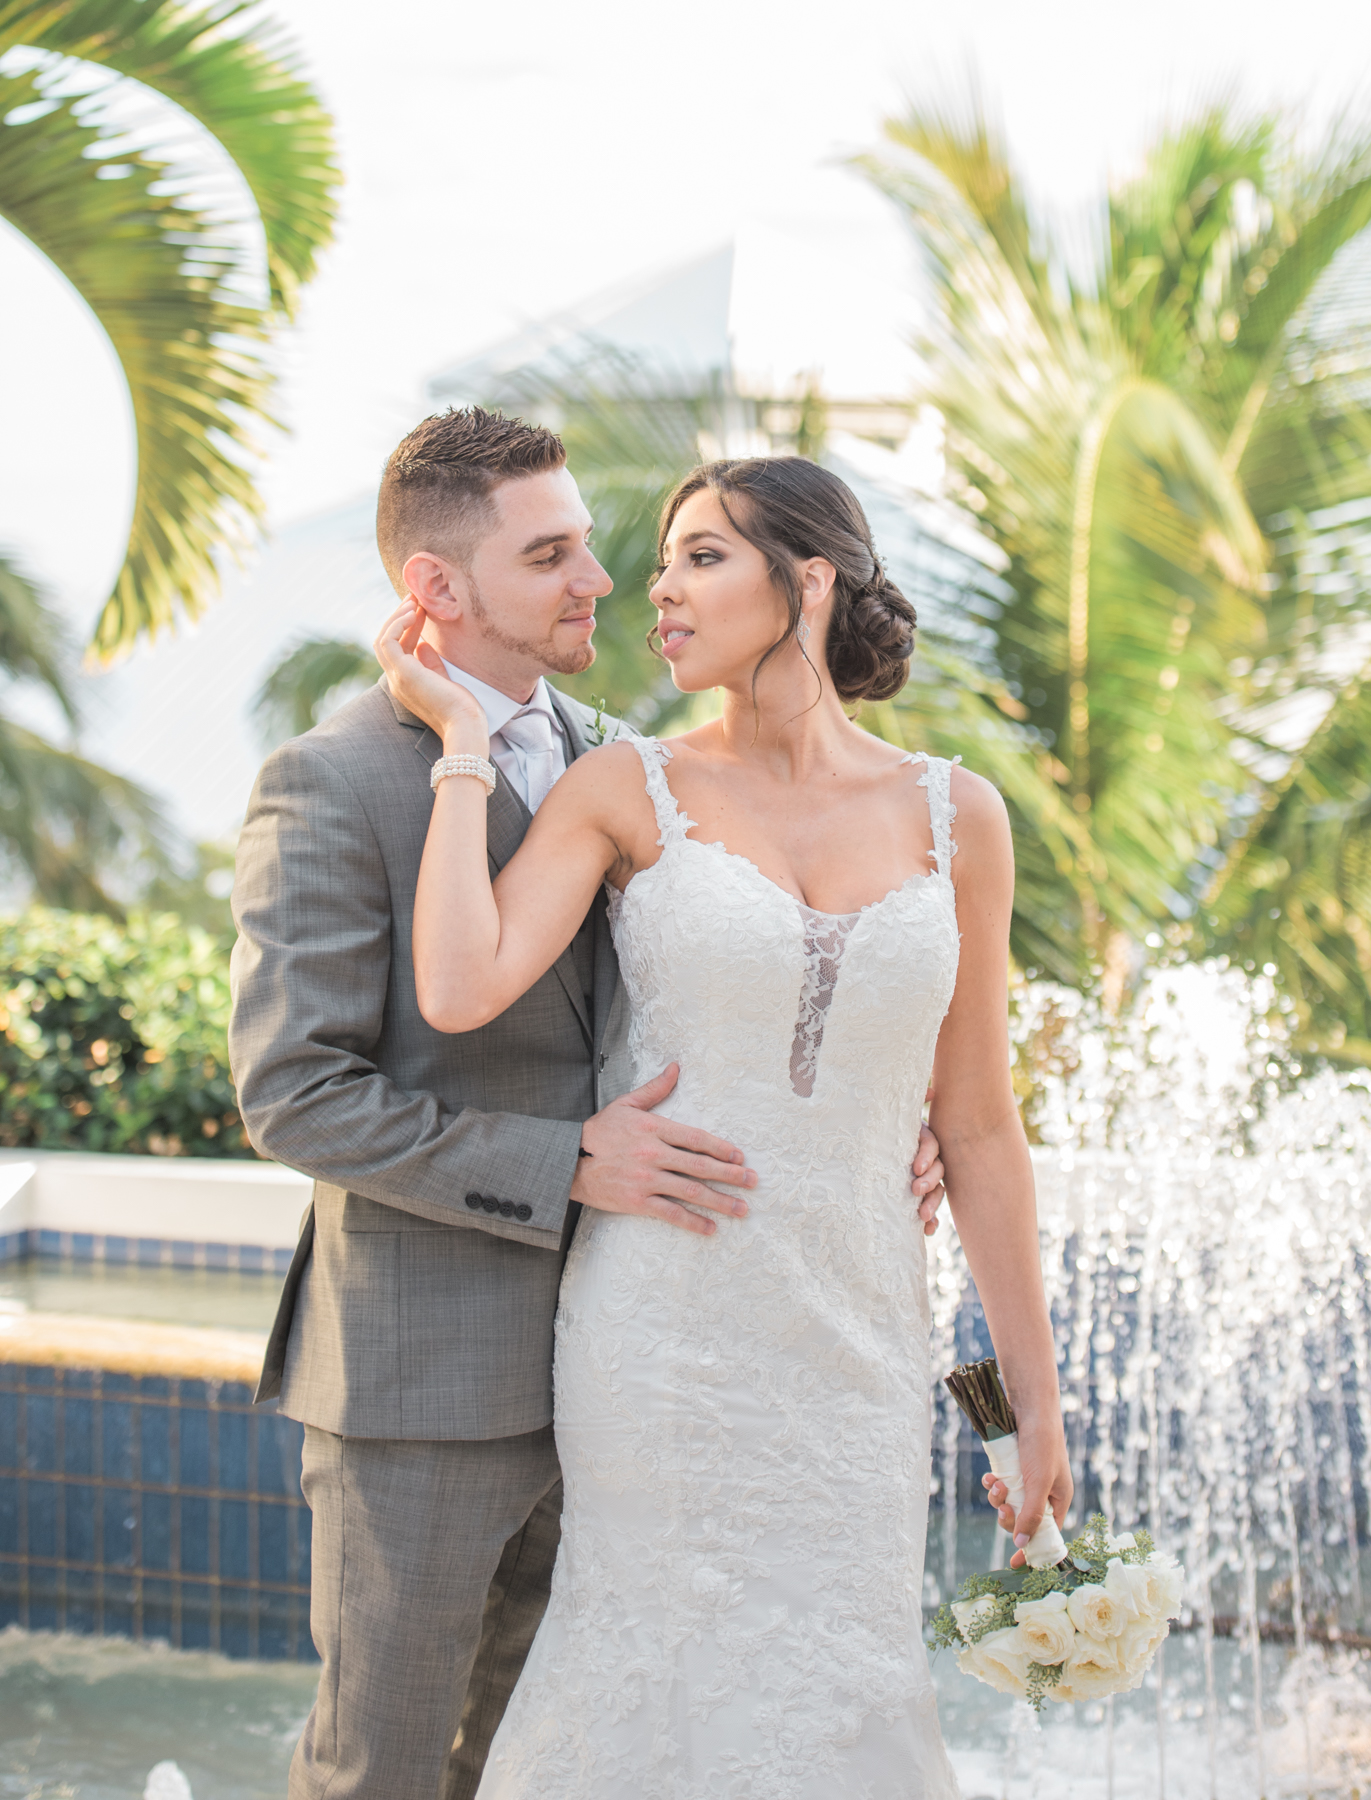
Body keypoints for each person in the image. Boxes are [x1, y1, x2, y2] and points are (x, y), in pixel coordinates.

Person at [228, 408, 947, 1800]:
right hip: (424, 1382)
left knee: (548, 1762)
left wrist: (879, 1106)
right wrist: (565, 1165)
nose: (600, 580)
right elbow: (296, 1096)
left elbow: (724, 986)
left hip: (645, 1368)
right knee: (381, 1767)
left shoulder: (639, 762)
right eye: (550, 553)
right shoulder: (331, 780)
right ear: (438, 590)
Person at [376, 453, 1073, 1798]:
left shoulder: (958, 816)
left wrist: (1028, 1405)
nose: (658, 588)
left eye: (703, 556)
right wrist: (462, 749)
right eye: (664, 561)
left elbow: (981, 1133)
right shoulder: (626, 786)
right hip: (666, 1339)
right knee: (658, 1688)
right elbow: (460, 986)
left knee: (843, 1691)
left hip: (865, 1344)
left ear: (805, 582)